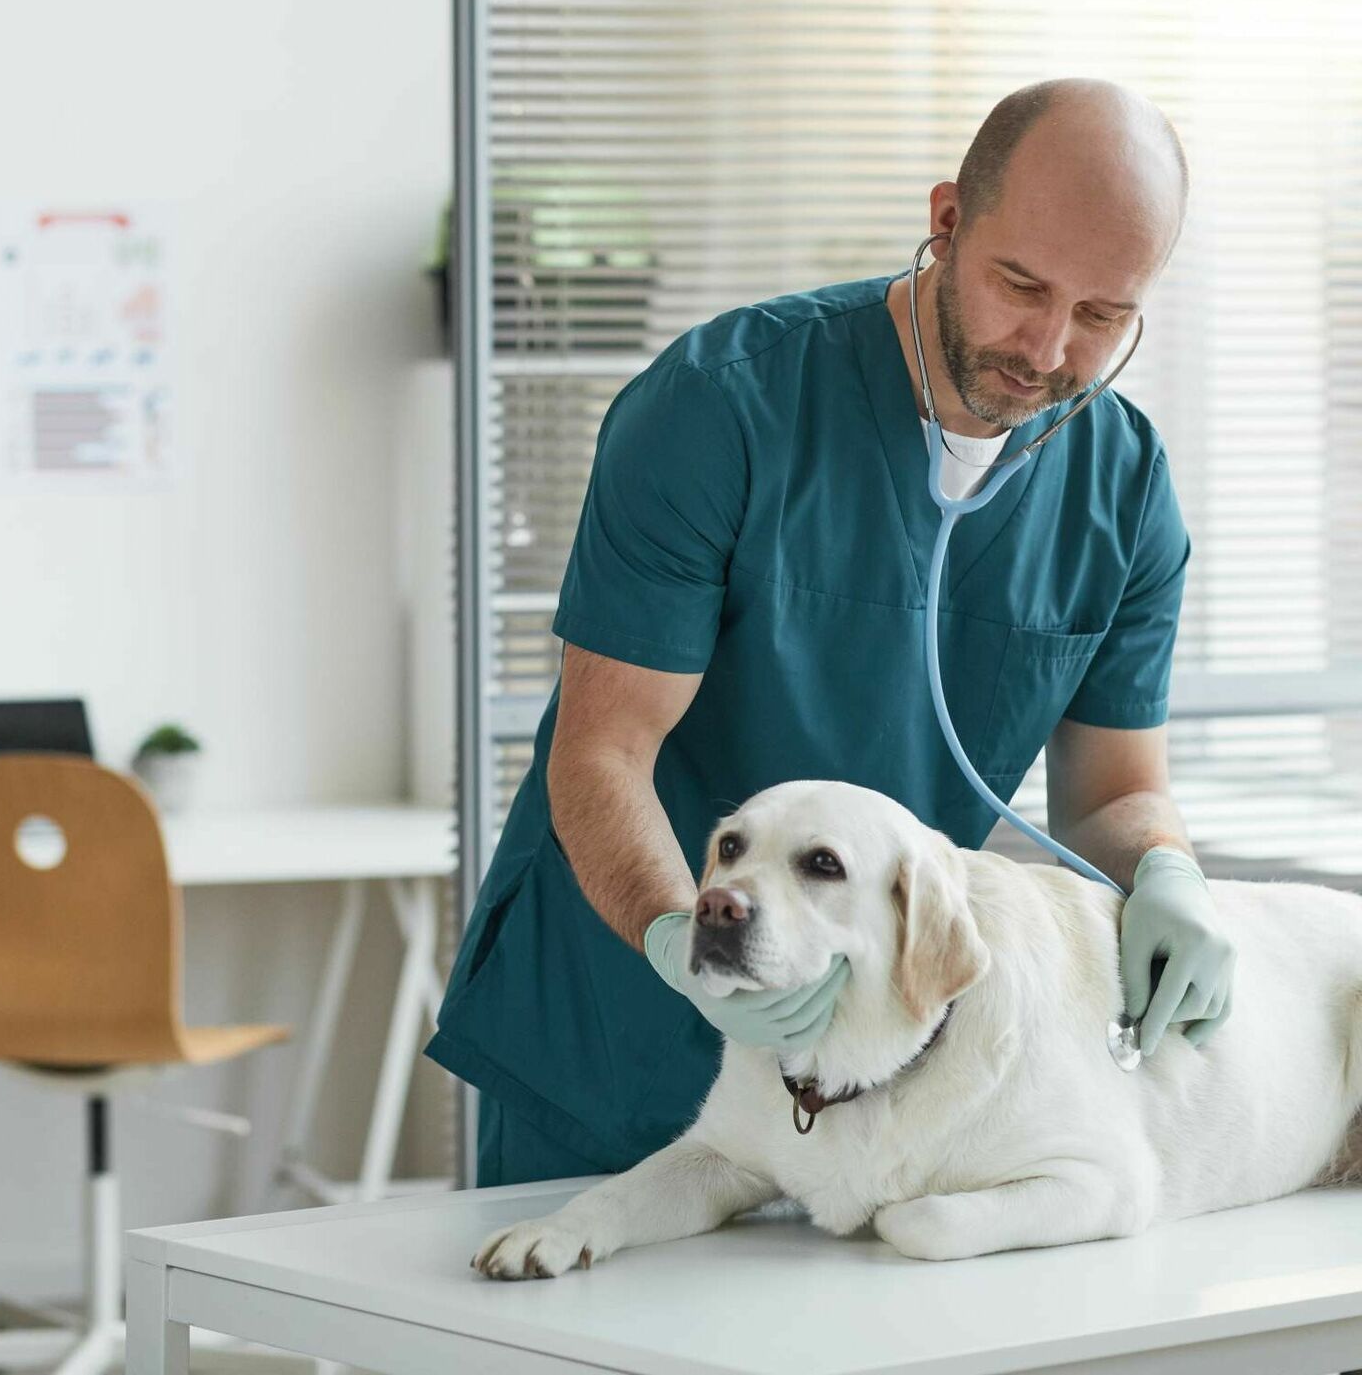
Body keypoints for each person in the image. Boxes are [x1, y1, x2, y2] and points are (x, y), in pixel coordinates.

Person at [425, 78, 1236, 1189]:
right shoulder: (722, 408)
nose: (1048, 348)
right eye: (1020, 284)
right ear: (948, 220)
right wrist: (684, 943)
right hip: (624, 1035)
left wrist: (1170, 878)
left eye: (1103, 314)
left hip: (870, 1079)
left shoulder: (1124, 489)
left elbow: (1107, 795)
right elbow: (603, 749)